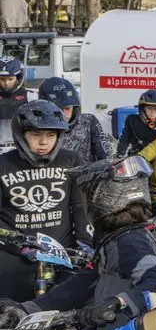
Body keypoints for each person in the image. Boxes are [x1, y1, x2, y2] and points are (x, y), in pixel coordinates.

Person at [25, 155, 156, 330]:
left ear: (102, 198)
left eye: (86, 199)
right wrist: (30, 308)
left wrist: (117, 302)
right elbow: (83, 283)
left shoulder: (129, 241)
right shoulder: (119, 238)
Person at [0, 101, 90, 300]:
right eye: (35, 135)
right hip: (14, 255)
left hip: (62, 253)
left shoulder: (72, 161)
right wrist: (18, 246)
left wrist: (84, 245)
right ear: (21, 134)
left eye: (51, 135)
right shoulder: (3, 164)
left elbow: (82, 207)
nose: (43, 143)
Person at [38, 77, 109, 164]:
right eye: (58, 109)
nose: (64, 113)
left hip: (86, 175)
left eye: (67, 108)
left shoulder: (88, 121)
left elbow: (104, 155)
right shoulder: (37, 127)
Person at [116, 89, 156, 157]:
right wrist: (120, 154)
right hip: (136, 159)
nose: (152, 112)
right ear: (143, 108)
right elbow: (124, 140)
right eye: (149, 108)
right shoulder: (132, 120)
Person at [0, 55, 34, 142]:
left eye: (10, 79)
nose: (6, 83)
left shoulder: (30, 97)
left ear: (18, 78)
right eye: (2, 79)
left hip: (19, 148)